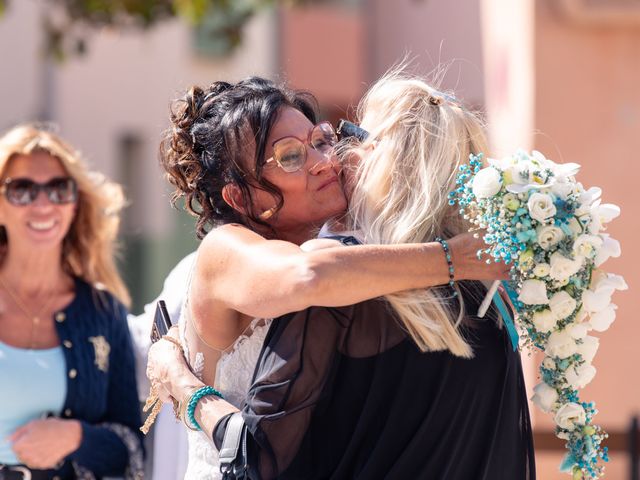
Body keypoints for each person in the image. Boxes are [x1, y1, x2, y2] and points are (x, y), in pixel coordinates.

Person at [146, 75, 530, 479]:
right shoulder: (224, 249)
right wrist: (455, 258)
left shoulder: (350, 258)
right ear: (241, 198)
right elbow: (309, 275)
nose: (323, 161)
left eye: (320, 140)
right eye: (291, 156)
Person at [0, 124, 144, 480]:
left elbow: (133, 450)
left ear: (75, 203)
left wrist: (78, 438)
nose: (44, 203)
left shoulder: (102, 313)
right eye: (22, 190)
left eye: (58, 189)